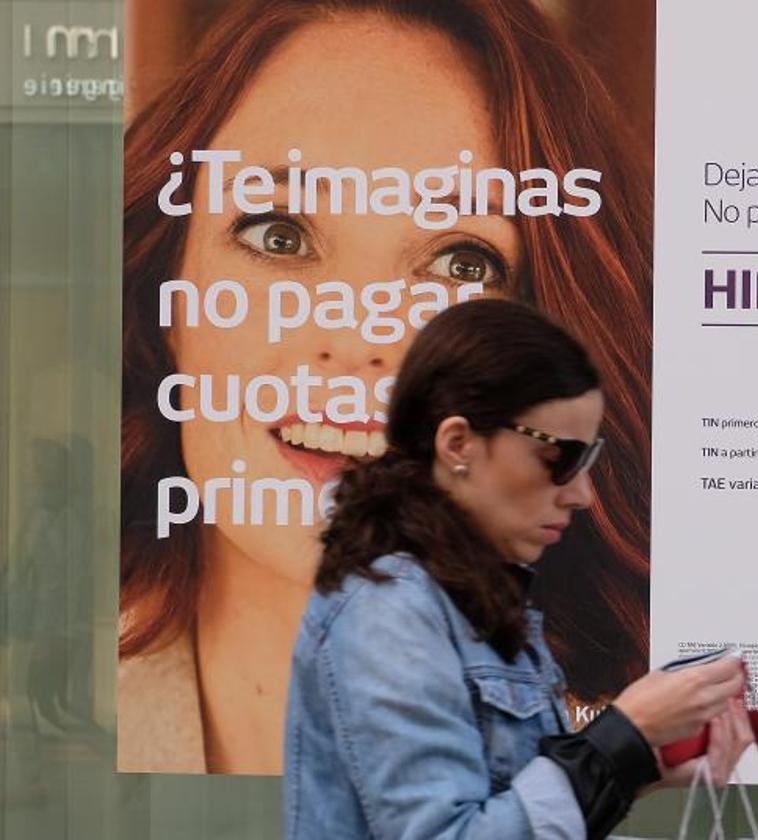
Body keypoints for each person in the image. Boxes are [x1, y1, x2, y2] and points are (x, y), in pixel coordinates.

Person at [120, 0, 652, 772]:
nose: (357, 340)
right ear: (166, 292)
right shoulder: (33, 704)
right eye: (279, 235)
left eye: (462, 264)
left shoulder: (646, 758)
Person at [285, 299, 752, 839]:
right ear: (457, 443)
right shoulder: (391, 608)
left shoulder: (476, 599)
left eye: (590, 461)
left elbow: (512, 809)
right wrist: (622, 738)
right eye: (561, 459)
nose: (582, 494)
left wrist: (634, 763)